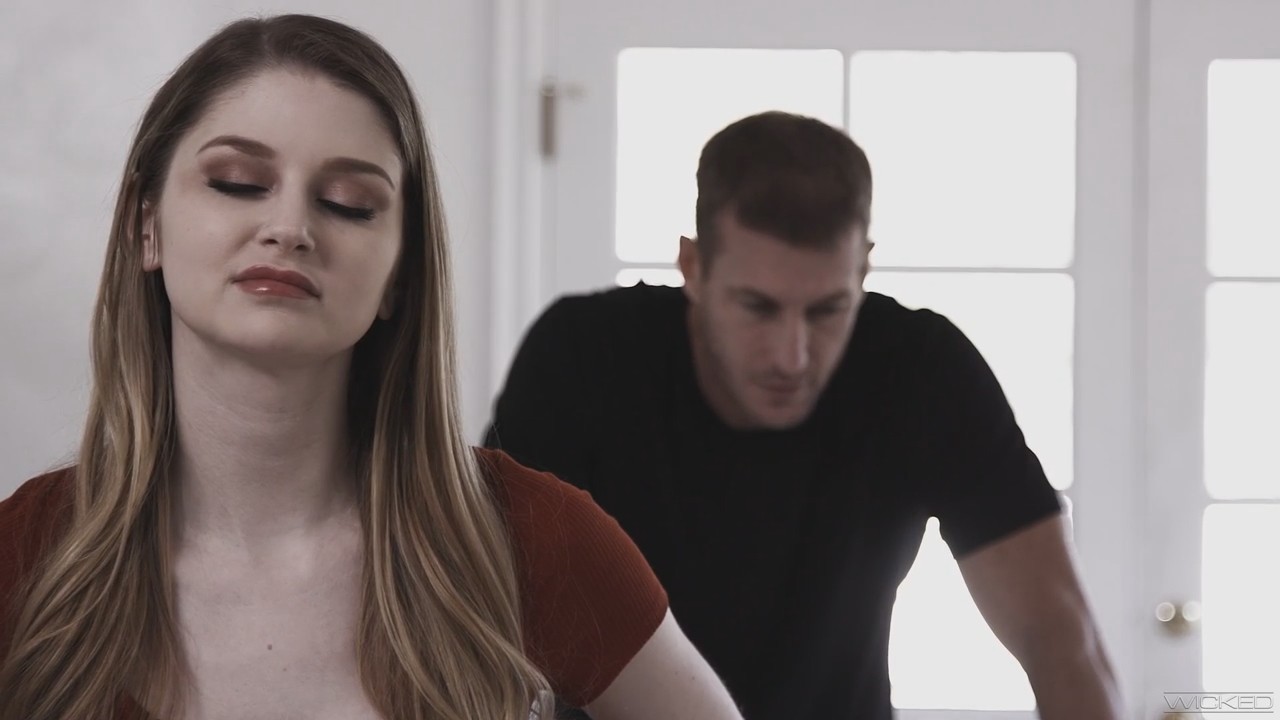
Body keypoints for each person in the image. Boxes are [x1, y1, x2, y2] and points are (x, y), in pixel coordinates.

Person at [0, 15, 744, 720]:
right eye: (237, 182)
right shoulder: (25, 556)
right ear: (147, 225)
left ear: (399, 273)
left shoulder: (533, 540)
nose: (289, 228)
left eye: (349, 203)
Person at [485, 110, 1124, 719]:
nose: (792, 356)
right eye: (758, 307)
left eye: (827, 310)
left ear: (863, 268)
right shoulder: (583, 358)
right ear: (694, 268)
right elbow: (488, 620)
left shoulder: (923, 369)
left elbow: (1059, 634)